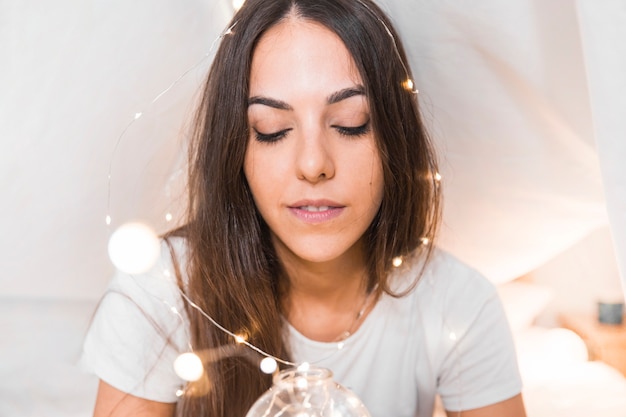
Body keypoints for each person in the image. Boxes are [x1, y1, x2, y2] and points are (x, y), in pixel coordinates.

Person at [82, 0, 527, 416]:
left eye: (351, 124)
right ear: (235, 147)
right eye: (272, 129)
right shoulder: (159, 292)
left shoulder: (458, 304)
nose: (313, 164)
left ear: (394, 136)